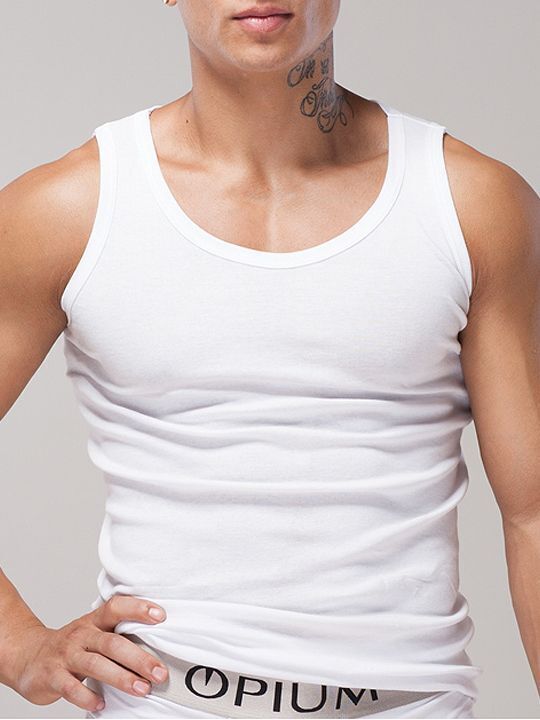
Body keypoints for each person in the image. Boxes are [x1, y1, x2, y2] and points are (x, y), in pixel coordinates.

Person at [0, 0, 538, 718]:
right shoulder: (68, 209)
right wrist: (19, 646)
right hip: (167, 702)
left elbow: (534, 514)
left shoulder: (472, 203)